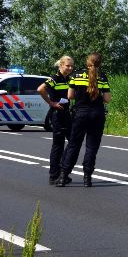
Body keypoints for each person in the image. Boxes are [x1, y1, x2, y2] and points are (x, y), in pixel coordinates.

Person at [56, 53, 111, 187]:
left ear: (87, 63)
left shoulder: (75, 75)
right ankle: (87, 178)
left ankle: (63, 176)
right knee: (91, 147)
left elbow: (70, 96)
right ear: (99, 64)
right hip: (97, 115)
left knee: (73, 145)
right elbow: (107, 99)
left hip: (80, 114)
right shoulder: (102, 77)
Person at [37, 56, 74, 185]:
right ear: (61, 65)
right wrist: (51, 103)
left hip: (67, 114)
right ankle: (54, 175)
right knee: (58, 145)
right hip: (57, 114)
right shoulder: (54, 78)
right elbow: (40, 89)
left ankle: (63, 171)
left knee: (73, 142)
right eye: (67, 66)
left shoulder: (69, 79)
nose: (70, 68)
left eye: (71, 66)